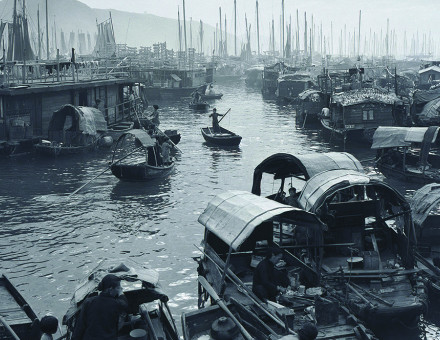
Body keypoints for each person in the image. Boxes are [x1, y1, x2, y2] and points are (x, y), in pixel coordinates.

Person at [71, 274, 128, 340]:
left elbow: (80, 326)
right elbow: (124, 303)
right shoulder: (116, 304)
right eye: (118, 288)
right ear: (110, 289)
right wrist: (121, 293)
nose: (120, 289)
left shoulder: (88, 302)